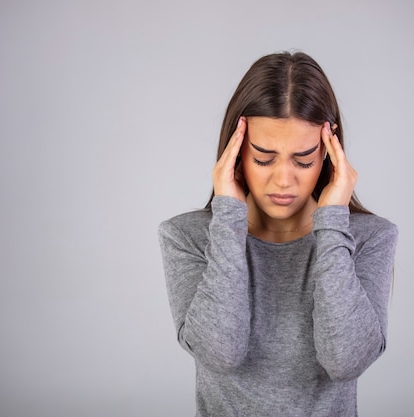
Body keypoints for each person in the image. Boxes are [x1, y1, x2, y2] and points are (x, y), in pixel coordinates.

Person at [158, 51, 398, 417]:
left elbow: (345, 360)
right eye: (263, 158)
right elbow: (221, 352)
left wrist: (333, 220)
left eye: (303, 160)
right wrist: (228, 217)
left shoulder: (369, 238)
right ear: (235, 154)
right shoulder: (187, 236)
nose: (284, 180)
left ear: (328, 157)